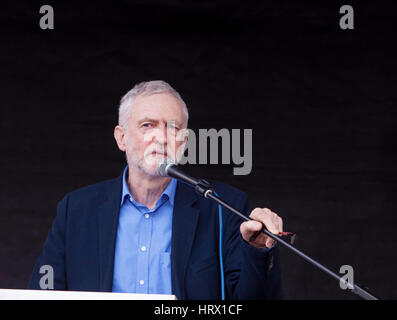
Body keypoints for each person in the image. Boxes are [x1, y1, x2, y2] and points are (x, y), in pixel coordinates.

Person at [28, 80, 283, 299]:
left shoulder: (222, 206)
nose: (161, 137)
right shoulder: (77, 209)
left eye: (172, 127)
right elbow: (43, 294)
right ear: (122, 138)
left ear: (182, 143)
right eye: (147, 125)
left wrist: (258, 249)